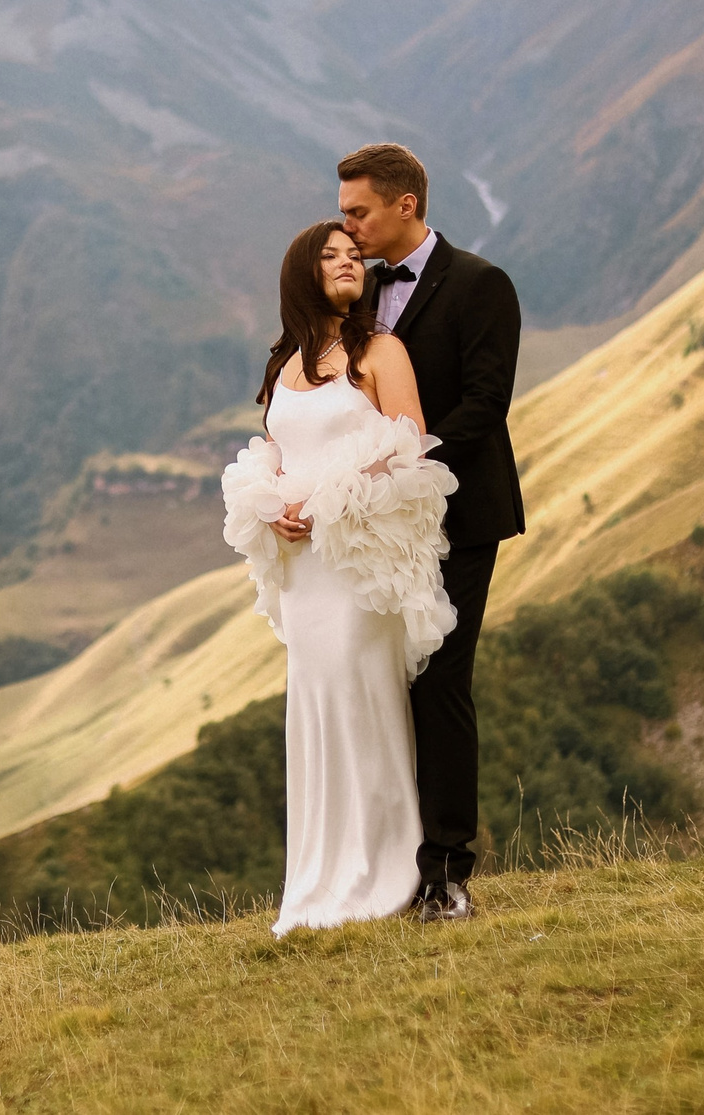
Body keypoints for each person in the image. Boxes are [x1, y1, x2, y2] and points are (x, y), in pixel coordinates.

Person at [221, 221, 459, 935]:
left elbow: (407, 445)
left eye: (354, 255)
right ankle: (320, 878)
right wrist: (273, 508)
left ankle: (386, 870)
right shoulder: (288, 363)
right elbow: (276, 447)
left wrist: (323, 500)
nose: (348, 262)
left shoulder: (380, 352)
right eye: (330, 256)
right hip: (305, 574)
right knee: (317, 708)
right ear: (302, 272)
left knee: (365, 700)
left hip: (357, 566)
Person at [336, 142, 524, 924]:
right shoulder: (361, 293)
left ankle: (448, 870)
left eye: (359, 211)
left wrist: (398, 469)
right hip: (376, 531)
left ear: (405, 204)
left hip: (458, 519)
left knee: (440, 682)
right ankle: (388, 864)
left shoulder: (483, 285)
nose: (346, 224)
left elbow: (486, 405)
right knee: (382, 685)